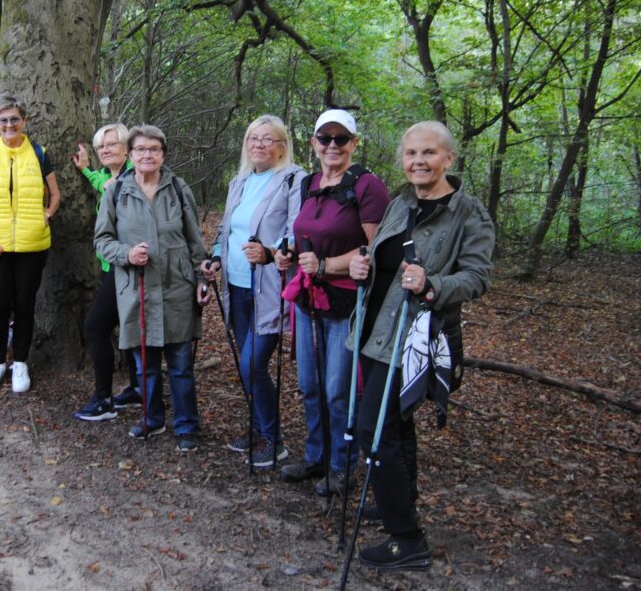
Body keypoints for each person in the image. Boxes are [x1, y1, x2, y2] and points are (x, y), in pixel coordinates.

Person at [348, 120, 494, 570]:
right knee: (395, 425)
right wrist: (361, 265)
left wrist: (432, 285)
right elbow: (382, 262)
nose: (418, 161)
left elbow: (477, 278)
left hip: (413, 338)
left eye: (428, 153)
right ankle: (399, 501)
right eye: (411, 154)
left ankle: (406, 539)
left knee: (374, 431)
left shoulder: (468, 213)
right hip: (374, 332)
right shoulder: (400, 203)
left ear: (448, 158)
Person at [276, 109, 390, 496]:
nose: (332, 146)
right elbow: (303, 234)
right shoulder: (309, 183)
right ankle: (317, 456)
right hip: (309, 299)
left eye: (341, 139)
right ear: (314, 144)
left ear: (354, 144)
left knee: (337, 389)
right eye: (325, 139)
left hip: (347, 302)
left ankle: (344, 466)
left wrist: (325, 265)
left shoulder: (368, 186)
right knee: (310, 385)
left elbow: (374, 248)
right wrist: (287, 252)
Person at [94, 124, 210, 451]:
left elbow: (194, 240)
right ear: (130, 155)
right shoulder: (116, 191)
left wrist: (202, 277)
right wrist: (126, 254)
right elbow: (102, 240)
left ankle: (186, 425)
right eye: (141, 149)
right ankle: (152, 418)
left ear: (163, 154)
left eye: (154, 150)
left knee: (181, 364)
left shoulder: (178, 188)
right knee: (145, 364)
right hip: (136, 289)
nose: (147, 155)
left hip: (177, 287)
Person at [201, 115, 305, 467]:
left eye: (268, 139)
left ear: (282, 146)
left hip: (269, 289)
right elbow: (225, 229)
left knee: (251, 365)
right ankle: (259, 427)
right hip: (237, 286)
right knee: (247, 365)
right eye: (253, 139)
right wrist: (215, 257)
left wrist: (272, 252)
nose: (259, 145)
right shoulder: (240, 182)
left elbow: (296, 231)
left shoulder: (293, 179)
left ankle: (274, 440)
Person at [0, 93, 61, 393]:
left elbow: (55, 193)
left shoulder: (38, 152)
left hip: (32, 244)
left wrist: (47, 214)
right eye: (4, 120)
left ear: (24, 121)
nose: (9, 125)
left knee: (24, 305)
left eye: (15, 119)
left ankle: (20, 361)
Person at [72, 123, 143, 421]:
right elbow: (104, 183)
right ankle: (139, 390)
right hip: (110, 266)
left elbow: (108, 188)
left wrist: (89, 173)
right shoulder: (112, 176)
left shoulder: (131, 178)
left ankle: (103, 400)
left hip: (126, 267)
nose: (106, 149)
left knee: (95, 326)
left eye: (112, 144)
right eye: (102, 146)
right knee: (127, 327)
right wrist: (89, 170)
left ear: (127, 148)